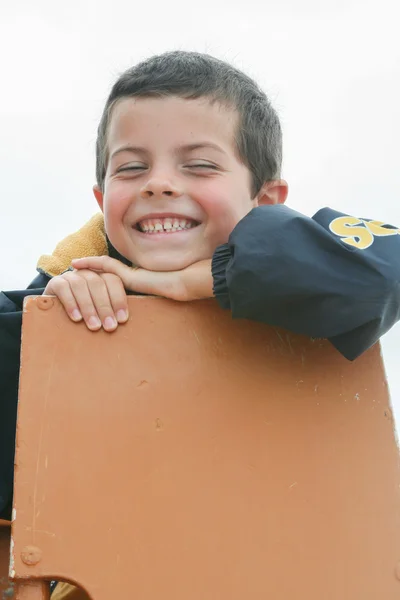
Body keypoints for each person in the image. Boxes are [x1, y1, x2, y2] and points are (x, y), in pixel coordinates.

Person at [1, 51, 399, 598]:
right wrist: (53, 322)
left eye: (200, 165)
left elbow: (385, 274)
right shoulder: (64, 298)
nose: (159, 184)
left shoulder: (318, 279)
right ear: (101, 200)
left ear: (266, 202)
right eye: (132, 167)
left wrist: (212, 280)